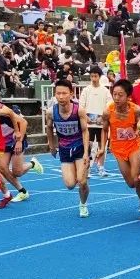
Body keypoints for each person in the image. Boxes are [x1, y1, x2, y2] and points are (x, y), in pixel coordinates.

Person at [0, 88, 43, 205]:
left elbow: (24, 123)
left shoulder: (4, 111)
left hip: (16, 139)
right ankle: (22, 191)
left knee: (17, 172)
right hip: (4, 143)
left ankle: (32, 164)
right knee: (3, 168)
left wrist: (19, 141)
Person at [102, 79, 140, 219]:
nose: (116, 98)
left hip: (133, 146)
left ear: (128, 96)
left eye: (120, 95)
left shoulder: (135, 110)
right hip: (118, 148)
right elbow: (104, 130)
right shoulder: (107, 111)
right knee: (130, 183)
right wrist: (101, 148)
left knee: (136, 179)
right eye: (114, 94)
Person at [46, 79, 91, 217]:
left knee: (82, 181)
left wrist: (85, 153)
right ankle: (79, 177)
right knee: (70, 185)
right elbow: (49, 128)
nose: (61, 96)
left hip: (79, 146)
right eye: (58, 93)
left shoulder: (79, 111)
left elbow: (85, 131)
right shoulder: (51, 112)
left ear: (71, 94)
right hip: (64, 148)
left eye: (64, 93)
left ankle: (83, 204)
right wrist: (52, 145)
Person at [80, 66, 113, 177]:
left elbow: (109, 105)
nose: (94, 78)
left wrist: (103, 118)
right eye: (92, 76)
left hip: (101, 123)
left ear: (99, 77)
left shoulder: (105, 91)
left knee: (101, 146)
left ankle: (101, 167)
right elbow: (81, 106)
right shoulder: (86, 90)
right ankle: (87, 168)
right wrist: (86, 117)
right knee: (88, 145)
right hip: (88, 123)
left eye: (96, 76)